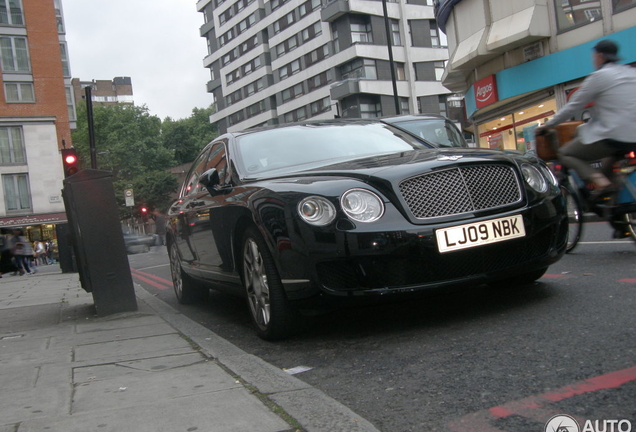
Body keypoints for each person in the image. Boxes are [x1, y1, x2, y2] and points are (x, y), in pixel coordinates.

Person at [536, 40, 636, 201]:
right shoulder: (631, 72)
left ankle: (601, 184)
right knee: (610, 162)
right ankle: (616, 208)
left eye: (594, 55)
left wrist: (548, 125)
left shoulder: (599, 77)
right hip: (633, 137)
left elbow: (573, 106)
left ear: (600, 56)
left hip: (614, 135)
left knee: (566, 153)